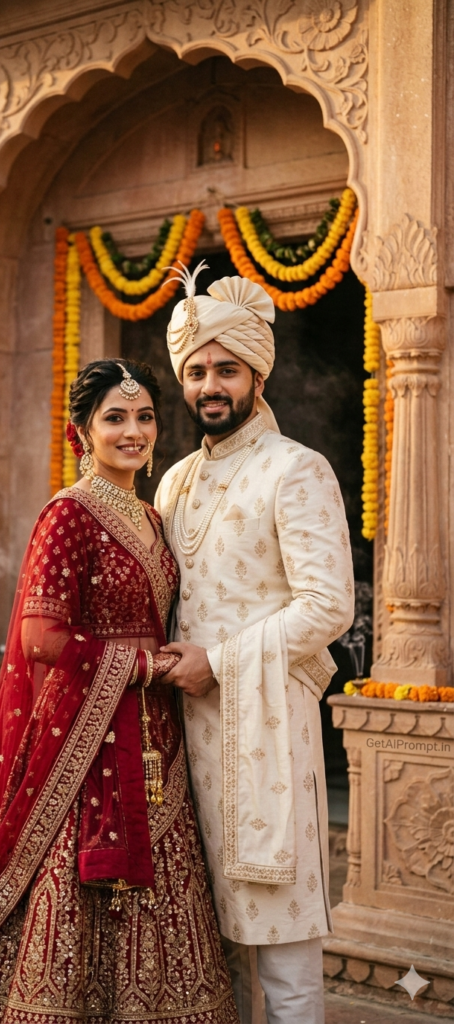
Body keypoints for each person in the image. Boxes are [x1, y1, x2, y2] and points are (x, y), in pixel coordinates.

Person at [0, 359, 239, 1024]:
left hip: (158, 739)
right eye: (115, 418)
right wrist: (147, 668)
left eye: (144, 417)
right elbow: (42, 637)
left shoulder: (153, 517)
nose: (133, 431)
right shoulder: (67, 514)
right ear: (82, 433)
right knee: (72, 896)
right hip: (84, 746)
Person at [155, 268, 355, 1024]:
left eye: (226, 369)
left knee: (285, 950)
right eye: (197, 370)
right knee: (208, 943)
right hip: (184, 741)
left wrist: (221, 661)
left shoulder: (296, 469)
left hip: (267, 734)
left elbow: (329, 604)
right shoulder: (172, 483)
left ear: (257, 373)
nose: (211, 383)